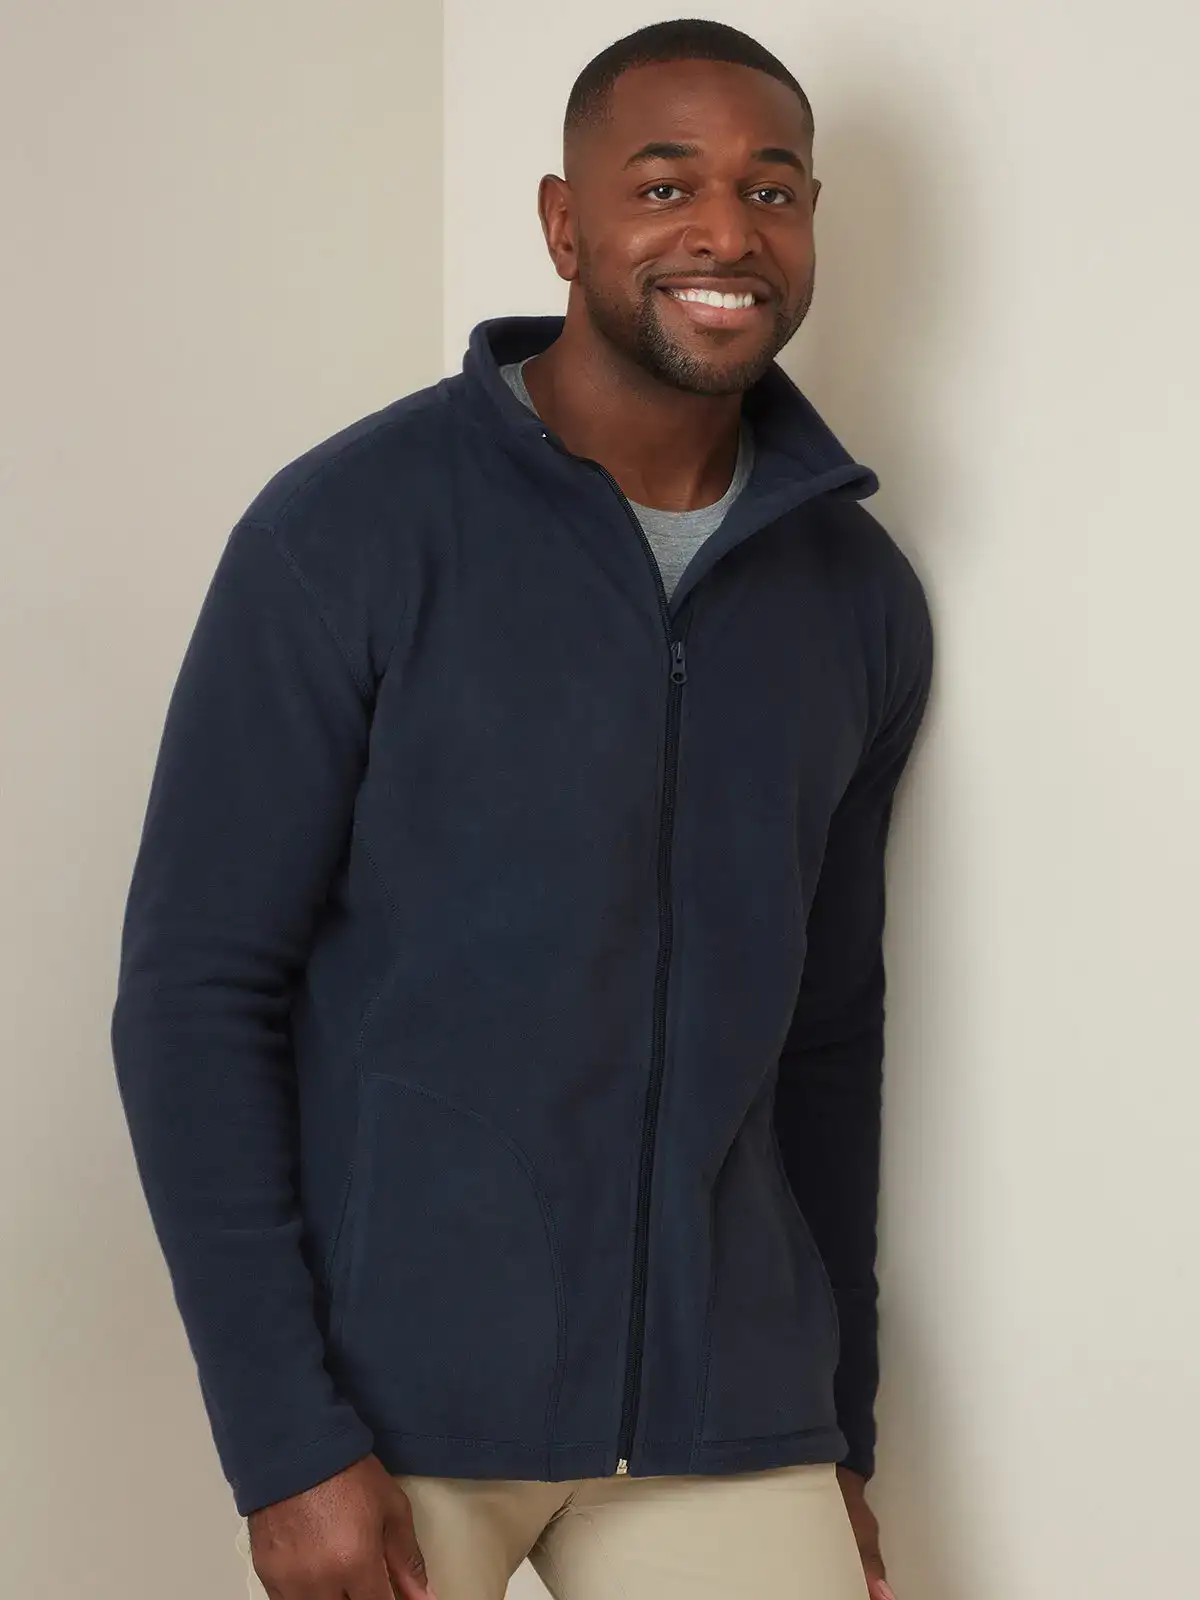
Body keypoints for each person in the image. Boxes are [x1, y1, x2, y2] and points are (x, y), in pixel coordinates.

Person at [111, 18, 932, 1600]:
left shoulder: (856, 597)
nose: (726, 232)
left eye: (771, 189)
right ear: (565, 225)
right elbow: (193, 996)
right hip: (394, 1413)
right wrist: (282, 1440)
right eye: (665, 184)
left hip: (727, 1407)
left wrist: (838, 1430)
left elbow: (831, 1033)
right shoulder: (349, 531)